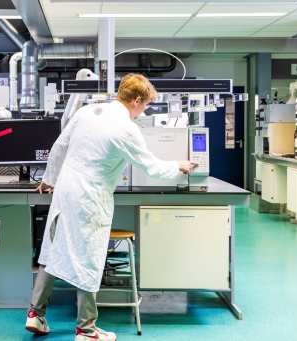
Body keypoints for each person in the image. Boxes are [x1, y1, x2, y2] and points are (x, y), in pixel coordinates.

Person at [25, 73, 194, 341]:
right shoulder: (126, 129)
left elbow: (59, 147)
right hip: (90, 198)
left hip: (65, 192)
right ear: (136, 100)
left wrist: (48, 179)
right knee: (88, 259)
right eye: (146, 105)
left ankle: (35, 314)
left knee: (52, 251)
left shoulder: (88, 112)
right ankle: (87, 330)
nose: (144, 111)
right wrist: (178, 166)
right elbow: (151, 167)